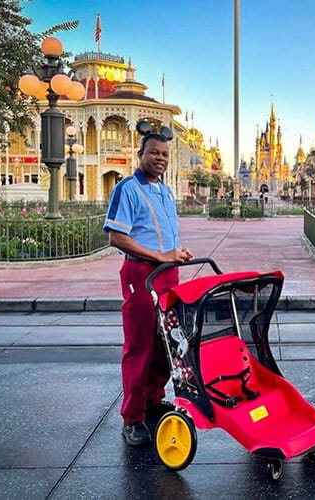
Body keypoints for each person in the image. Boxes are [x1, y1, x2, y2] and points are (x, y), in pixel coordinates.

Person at [103, 124, 194, 446]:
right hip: (142, 275)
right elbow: (117, 236)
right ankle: (133, 417)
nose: (160, 158)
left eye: (164, 154)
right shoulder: (128, 189)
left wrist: (176, 254)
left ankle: (153, 400)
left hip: (169, 274)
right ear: (140, 155)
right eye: (153, 152)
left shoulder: (165, 191)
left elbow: (160, 235)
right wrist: (159, 254)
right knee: (140, 345)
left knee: (165, 345)